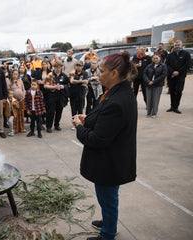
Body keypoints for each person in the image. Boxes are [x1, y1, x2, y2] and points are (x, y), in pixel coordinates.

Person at [72, 51, 137, 240]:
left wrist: (79, 126)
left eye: (101, 71)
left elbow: (97, 139)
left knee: (108, 199)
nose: (97, 74)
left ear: (114, 73)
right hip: (110, 158)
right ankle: (109, 221)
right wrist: (88, 119)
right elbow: (103, 117)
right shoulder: (118, 91)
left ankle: (108, 234)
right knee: (106, 197)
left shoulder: (118, 100)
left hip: (110, 161)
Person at [165, 40, 191, 114]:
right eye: (176, 45)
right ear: (174, 46)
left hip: (181, 76)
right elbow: (167, 65)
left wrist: (178, 72)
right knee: (172, 91)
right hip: (171, 76)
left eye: (178, 45)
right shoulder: (170, 55)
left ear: (181, 45)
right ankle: (172, 106)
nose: (177, 46)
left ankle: (176, 107)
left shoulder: (186, 54)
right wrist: (172, 72)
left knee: (179, 91)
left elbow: (187, 65)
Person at [44, 60, 69, 132]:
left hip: (61, 95)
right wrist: (54, 87)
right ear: (54, 67)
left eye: (59, 67)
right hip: (51, 95)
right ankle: (49, 126)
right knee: (51, 111)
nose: (58, 69)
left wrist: (63, 86)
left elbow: (68, 85)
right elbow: (45, 85)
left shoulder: (64, 75)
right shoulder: (50, 75)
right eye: (57, 67)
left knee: (59, 111)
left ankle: (57, 125)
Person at [6, 69, 26, 134]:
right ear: (11, 74)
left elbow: (23, 90)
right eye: (14, 74)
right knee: (15, 115)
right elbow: (8, 91)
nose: (15, 75)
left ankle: (22, 128)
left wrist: (23, 97)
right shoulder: (9, 82)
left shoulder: (20, 81)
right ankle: (15, 129)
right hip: (13, 101)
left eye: (17, 74)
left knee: (21, 115)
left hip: (21, 100)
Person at [69, 60, 88, 127]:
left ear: (82, 66)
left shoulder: (85, 73)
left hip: (81, 94)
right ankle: (74, 124)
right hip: (73, 94)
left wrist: (76, 82)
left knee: (80, 110)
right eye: (77, 65)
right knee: (73, 110)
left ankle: (80, 124)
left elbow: (85, 83)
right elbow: (71, 81)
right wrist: (81, 81)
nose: (78, 67)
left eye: (80, 65)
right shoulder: (73, 72)